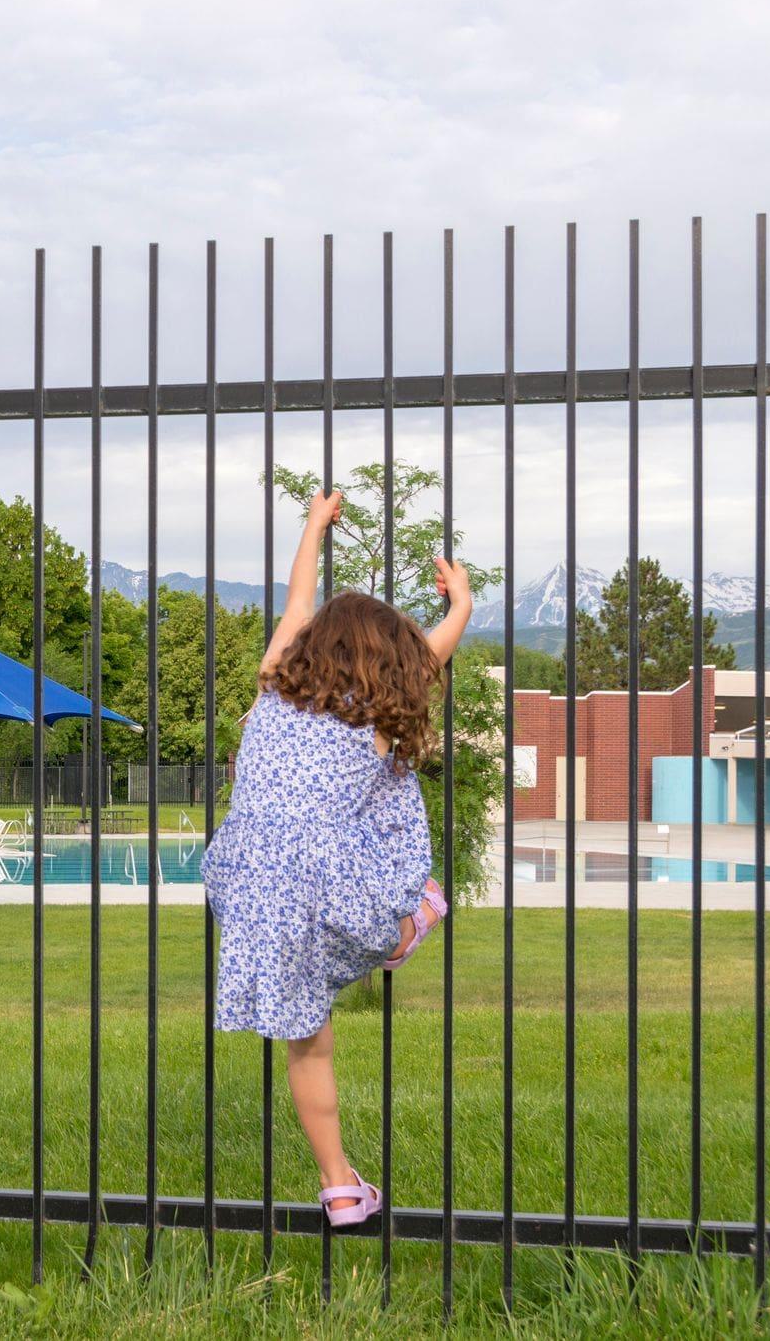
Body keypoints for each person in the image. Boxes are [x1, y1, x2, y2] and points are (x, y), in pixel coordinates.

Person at [200, 490, 464, 1229]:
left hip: (247, 877)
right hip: (324, 879)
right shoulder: (374, 713)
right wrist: (460, 606)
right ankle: (410, 921)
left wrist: (315, 525)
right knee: (392, 800)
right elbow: (433, 654)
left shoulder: (275, 679)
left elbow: (295, 599)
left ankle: (340, 1188)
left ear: (313, 644)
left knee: (308, 1043)